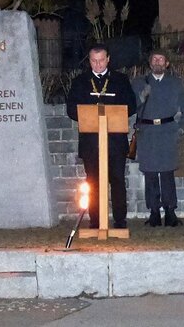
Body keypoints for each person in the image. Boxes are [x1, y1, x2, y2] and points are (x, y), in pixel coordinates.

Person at [66, 44, 137, 229]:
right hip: (91, 143)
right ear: (89, 61)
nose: (97, 65)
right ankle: (96, 220)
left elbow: (131, 105)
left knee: (117, 181)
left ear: (108, 59)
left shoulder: (120, 80)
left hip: (114, 141)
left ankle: (120, 220)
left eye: (101, 60)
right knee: (93, 182)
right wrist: (89, 113)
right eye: (93, 61)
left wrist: (112, 112)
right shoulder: (80, 81)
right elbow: (71, 109)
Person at [131, 50, 184, 227]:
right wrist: (141, 98)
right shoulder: (138, 83)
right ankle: (153, 213)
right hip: (147, 132)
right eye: (154, 59)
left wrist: (181, 128)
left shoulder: (175, 83)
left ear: (167, 63)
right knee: (150, 173)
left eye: (161, 59)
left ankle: (170, 212)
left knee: (167, 173)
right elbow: (129, 107)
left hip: (167, 131)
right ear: (150, 63)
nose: (158, 62)